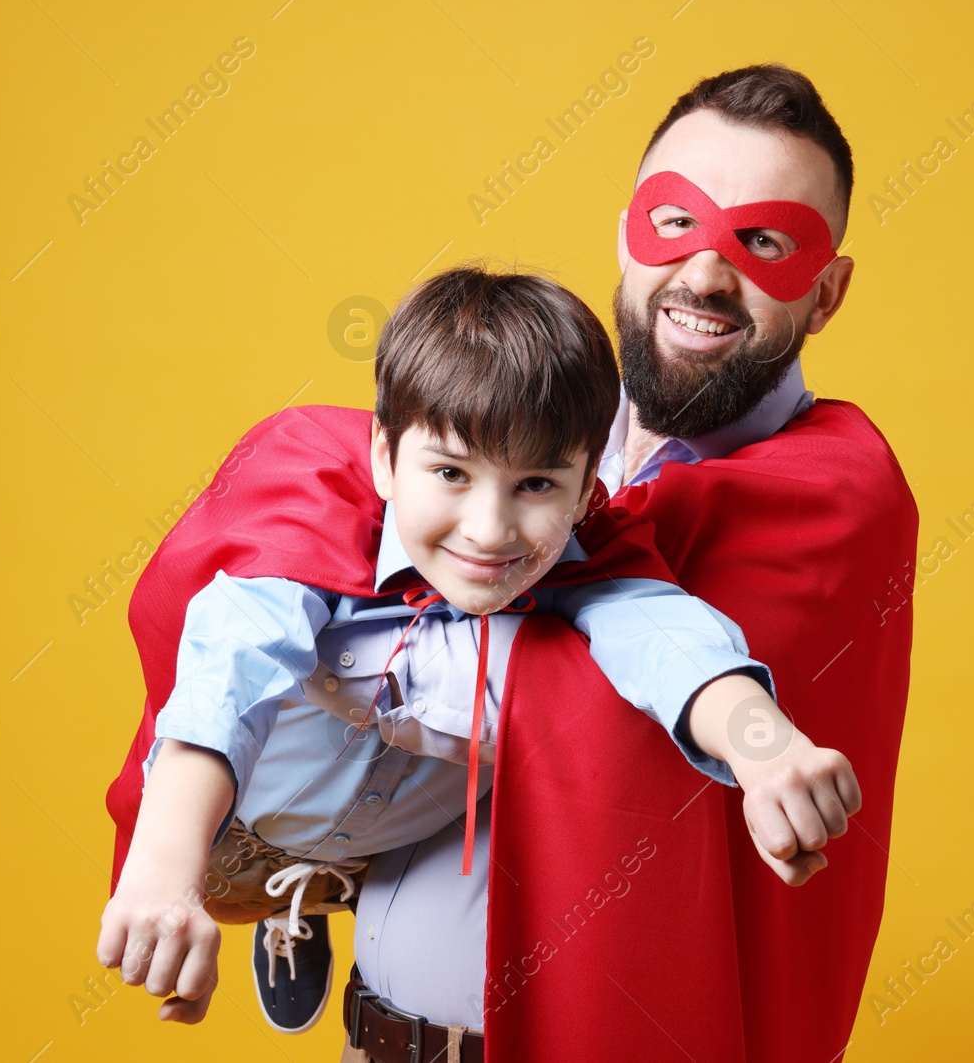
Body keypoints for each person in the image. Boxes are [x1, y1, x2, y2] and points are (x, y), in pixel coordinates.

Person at [96, 266, 864, 1042]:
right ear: (386, 458)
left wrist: (764, 745)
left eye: (535, 483)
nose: (490, 530)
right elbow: (227, 678)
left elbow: (669, 636)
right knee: (268, 708)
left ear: (588, 484)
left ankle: (328, 890)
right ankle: (289, 908)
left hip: (380, 836)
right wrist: (166, 872)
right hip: (238, 825)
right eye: (451, 474)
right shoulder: (305, 537)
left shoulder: (586, 556)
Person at [337, 65, 919, 1062]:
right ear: (624, 235)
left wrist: (330, 652)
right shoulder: (533, 436)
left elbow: (592, 705)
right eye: (675, 223)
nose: (702, 275)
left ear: (826, 291)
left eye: (764, 242)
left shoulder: (834, 496)